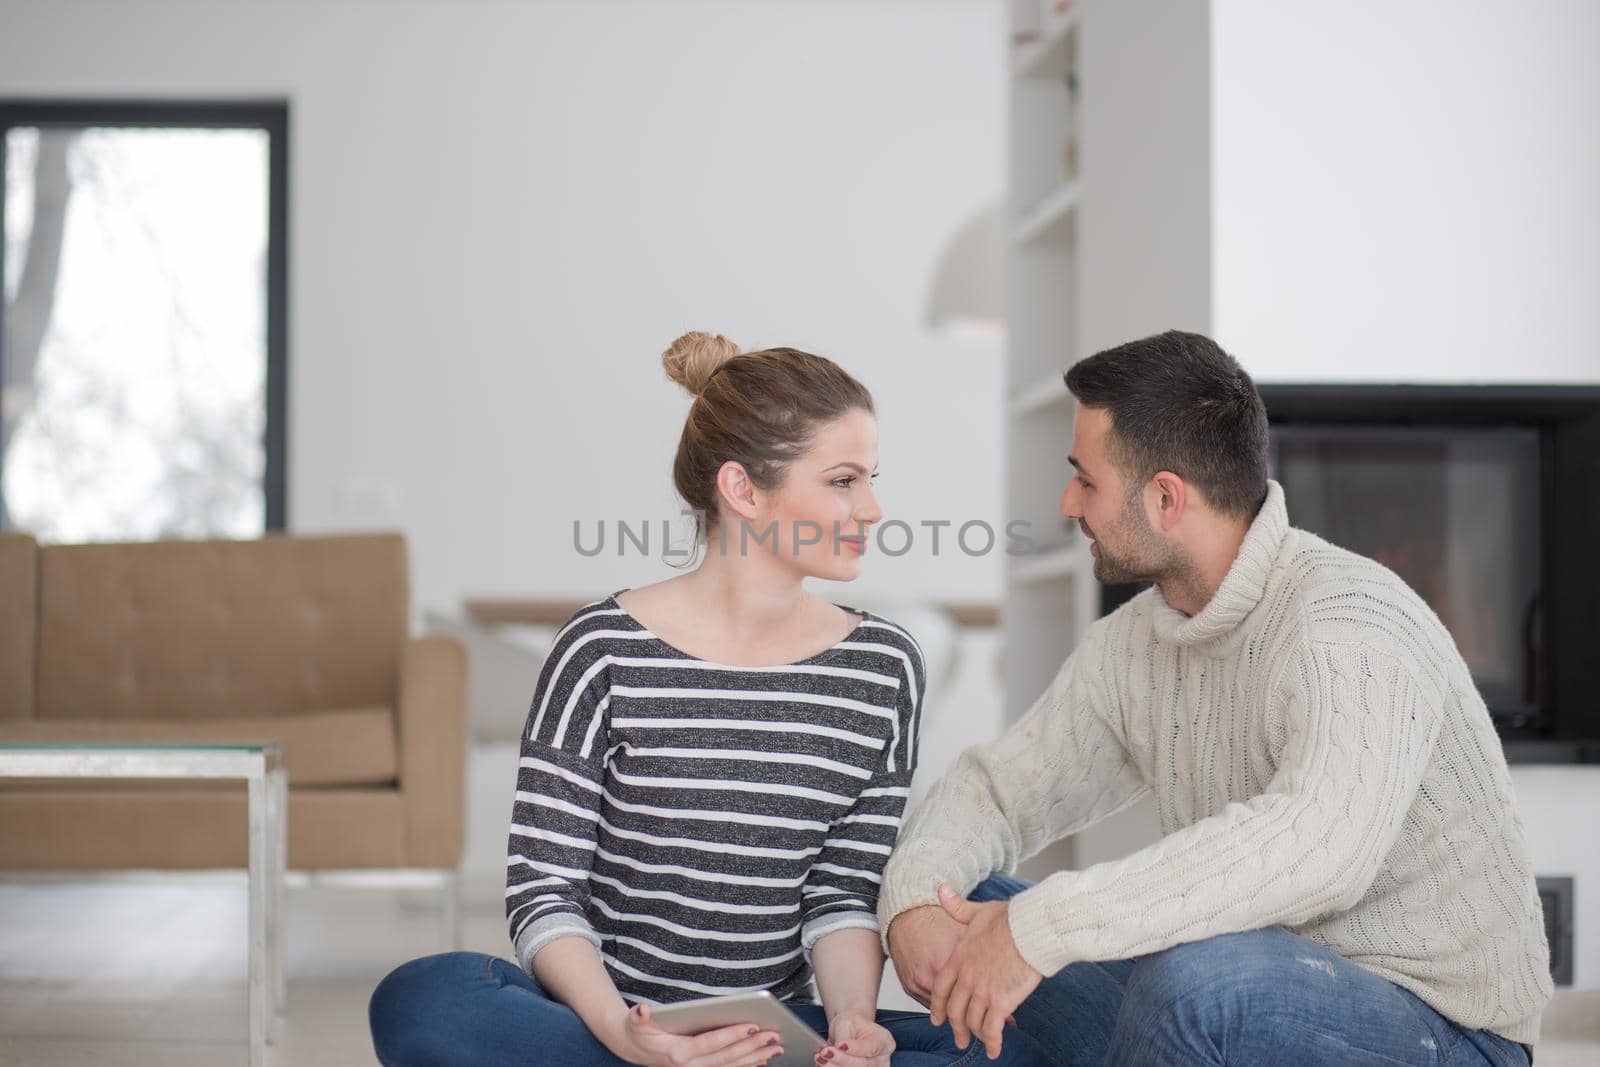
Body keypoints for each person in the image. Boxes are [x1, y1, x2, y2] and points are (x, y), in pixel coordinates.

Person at [369, 332, 1048, 1067]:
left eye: (871, 478)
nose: (875, 508)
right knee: (425, 997)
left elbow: (841, 891)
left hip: (774, 1028)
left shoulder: (883, 667)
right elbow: (544, 890)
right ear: (744, 489)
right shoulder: (600, 649)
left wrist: (852, 1020)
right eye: (845, 481)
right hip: (614, 1016)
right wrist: (626, 1032)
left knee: (1015, 1049)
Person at [880, 330, 1553, 1067]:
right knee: (971, 902)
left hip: (1440, 1030)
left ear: (1166, 498)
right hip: (1236, 1000)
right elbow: (998, 791)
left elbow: (1317, 847)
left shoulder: (1348, 619)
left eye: (1086, 479)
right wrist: (914, 904)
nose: (1068, 502)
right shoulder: (1136, 641)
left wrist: (1039, 929)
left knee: (1190, 980)